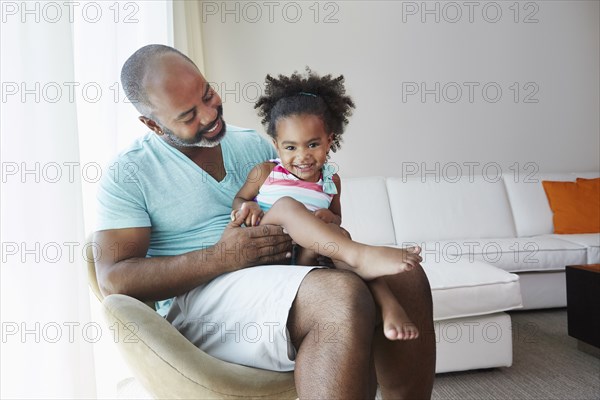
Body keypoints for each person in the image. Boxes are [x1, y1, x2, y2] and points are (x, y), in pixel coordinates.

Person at [94, 44, 435, 399]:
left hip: (285, 272)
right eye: (188, 115)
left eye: (208, 95)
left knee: (406, 277)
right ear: (152, 123)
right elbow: (115, 280)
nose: (210, 115)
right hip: (204, 300)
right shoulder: (129, 172)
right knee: (340, 296)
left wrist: (327, 223)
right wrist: (221, 257)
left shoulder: (252, 145)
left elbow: (306, 199)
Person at [232, 69, 419, 340]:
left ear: (329, 140)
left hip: (308, 257)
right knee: (286, 205)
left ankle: (390, 306)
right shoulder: (265, 172)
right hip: (270, 248)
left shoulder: (331, 181)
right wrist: (247, 207)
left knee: (341, 236)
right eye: (291, 148)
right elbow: (240, 199)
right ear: (276, 145)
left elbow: (337, 217)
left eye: (313, 144)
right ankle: (361, 254)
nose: (303, 156)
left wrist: (329, 219)